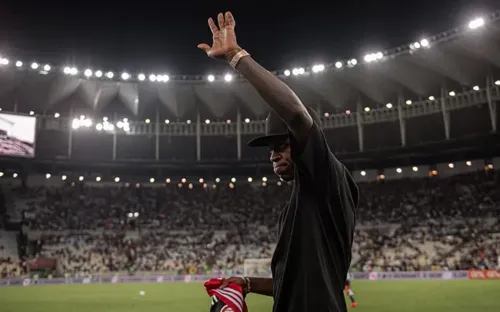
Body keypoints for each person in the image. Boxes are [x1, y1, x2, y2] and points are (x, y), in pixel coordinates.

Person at [199, 12, 358, 312]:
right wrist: (246, 283)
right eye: (270, 148)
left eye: (282, 145)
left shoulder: (328, 179)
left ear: (303, 144)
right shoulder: (296, 206)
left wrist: (236, 56)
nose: (273, 154)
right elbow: (293, 284)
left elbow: (298, 117)